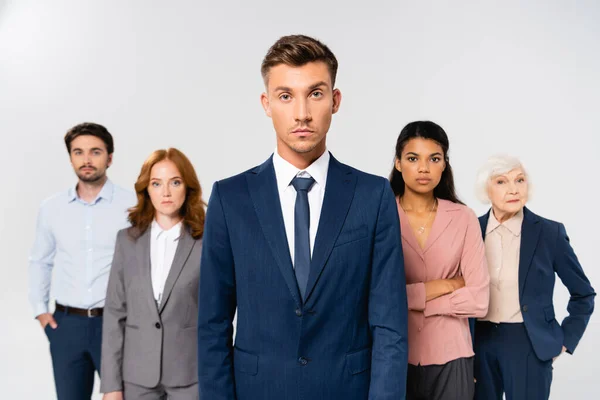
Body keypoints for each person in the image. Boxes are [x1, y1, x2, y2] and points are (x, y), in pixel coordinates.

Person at [197, 34, 408, 400]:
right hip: (258, 390)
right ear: (266, 104)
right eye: (285, 96)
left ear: (335, 100)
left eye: (315, 93)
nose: (302, 114)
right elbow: (212, 325)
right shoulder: (230, 199)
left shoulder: (373, 196)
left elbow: (390, 325)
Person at [472, 155, 595, 400]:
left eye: (520, 180)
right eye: (501, 182)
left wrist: (564, 340)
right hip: (479, 342)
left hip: (528, 342)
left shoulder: (550, 233)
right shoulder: (470, 230)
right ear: (486, 190)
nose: (513, 189)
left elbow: (583, 294)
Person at [28, 123, 135, 400]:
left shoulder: (132, 205)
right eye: (78, 152)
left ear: (109, 157)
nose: (86, 160)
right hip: (66, 325)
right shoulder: (51, 208)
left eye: (95, 152)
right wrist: (41, 311)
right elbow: (40, 260)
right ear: (70, 158)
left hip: (116, 323)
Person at [389, 121, 490, 400]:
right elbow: (376, 296)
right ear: (398, 163)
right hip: (396, 355)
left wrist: (417, 301)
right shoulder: (381, 215)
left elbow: (479, 300)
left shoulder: (464, 217)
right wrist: (447, 284)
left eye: (434, 159)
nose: (424, 168)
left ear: (444, 164)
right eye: (413, 158)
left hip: (453, 357)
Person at [100, 148, 205, 400]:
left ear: (187, 187)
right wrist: (111, 385)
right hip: (137, 377)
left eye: (175, 182)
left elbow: (218, 315)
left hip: (190, 375)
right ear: (146, 189)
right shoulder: (126, 241)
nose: (165, 192)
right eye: (156, 183)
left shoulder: (208, 241)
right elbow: (115, 313)